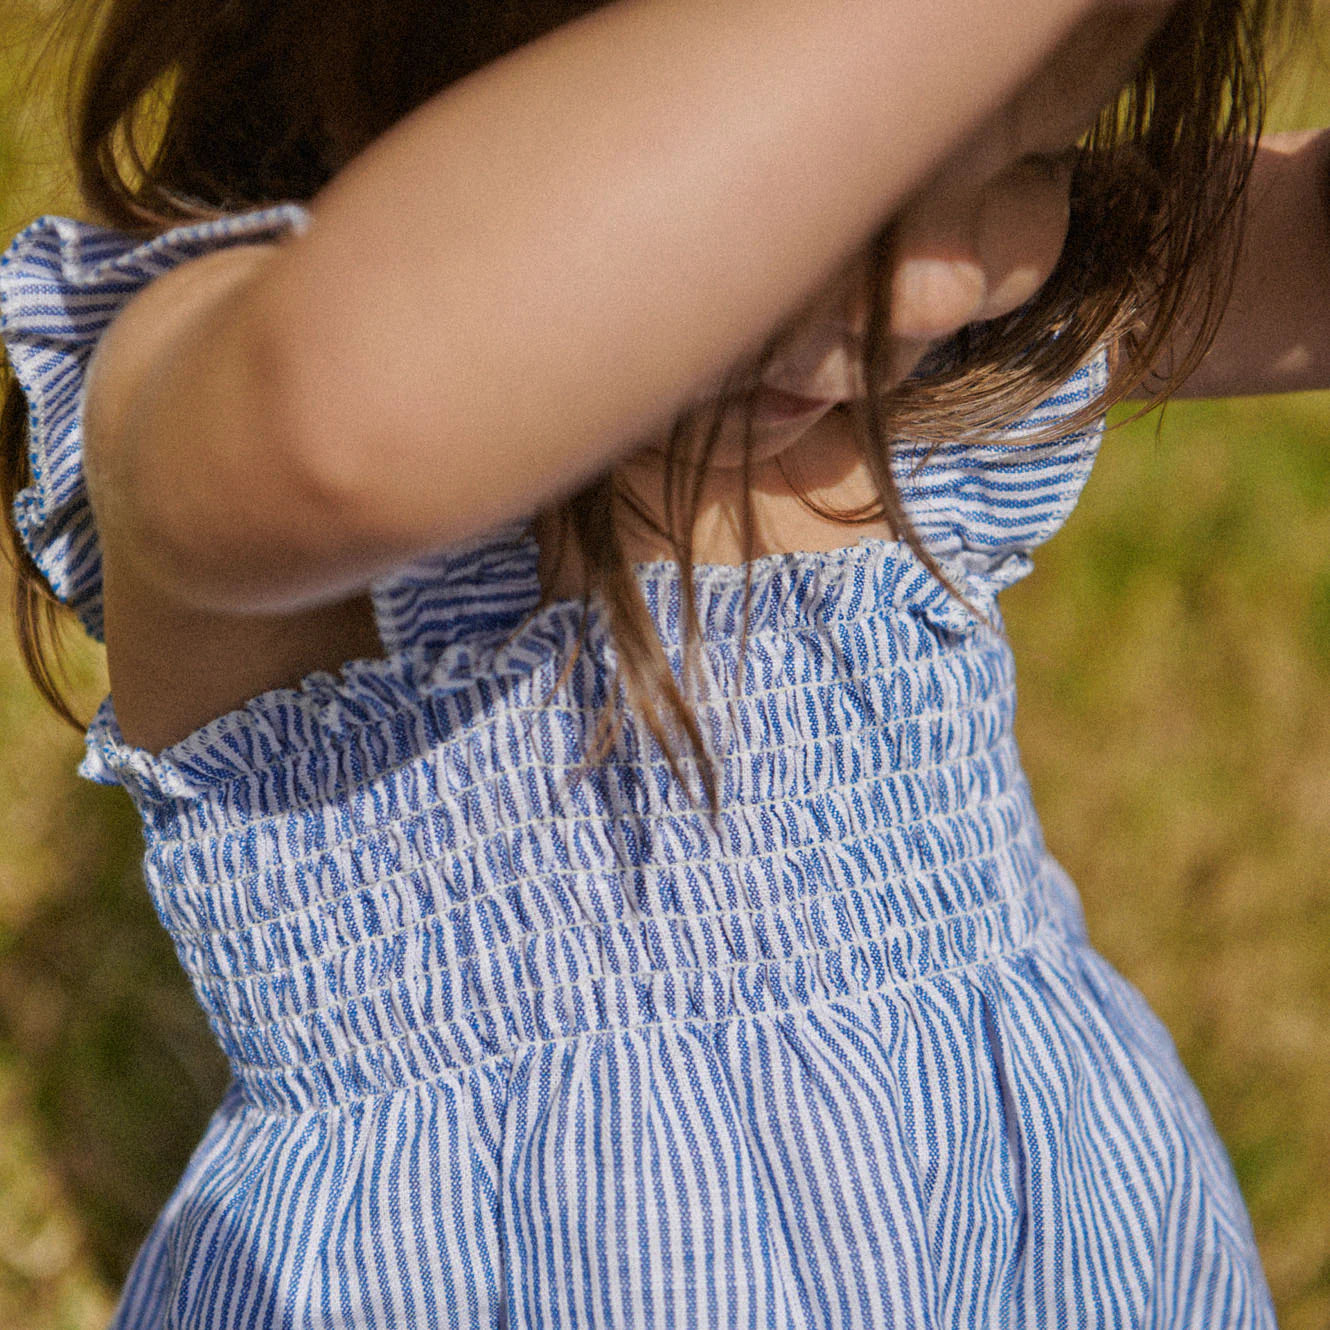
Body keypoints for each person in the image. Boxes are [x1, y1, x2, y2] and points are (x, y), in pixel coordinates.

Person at [0, 0, 1314, 1324]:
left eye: (1033, 157)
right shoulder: (229, 380)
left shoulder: (946, 360)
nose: (927, 289)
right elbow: (336, 426)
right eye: (835, 172)